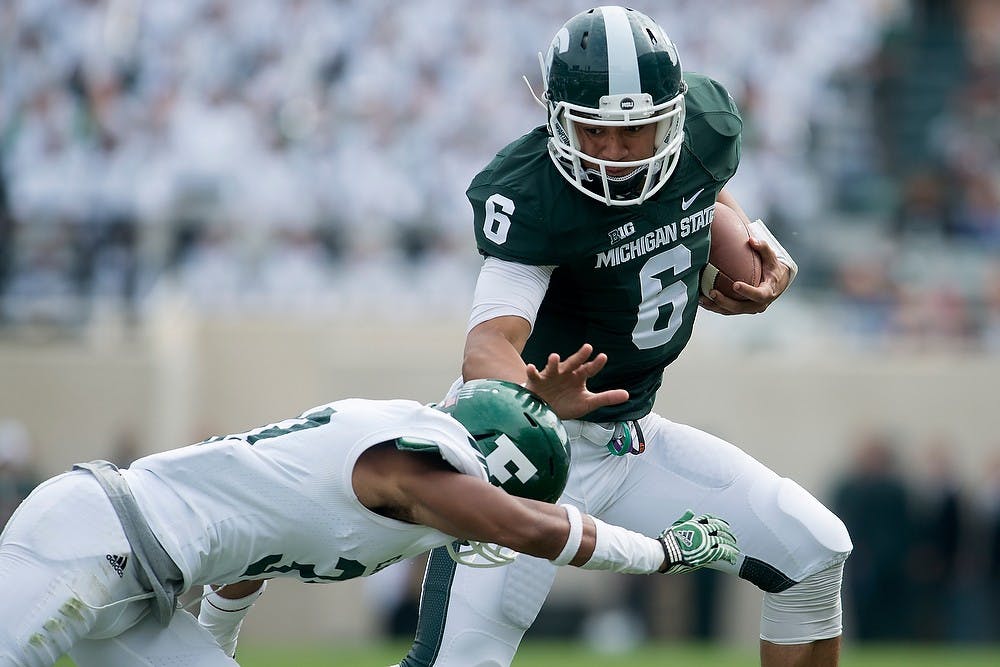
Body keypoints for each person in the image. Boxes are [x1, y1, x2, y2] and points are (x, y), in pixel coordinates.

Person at [394, 6, 853, 667]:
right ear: (556, 118)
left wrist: (755, 243)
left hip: (631, 438)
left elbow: (707, 193)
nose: (614, 152)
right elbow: (487, 345)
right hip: (528, 454)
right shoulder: (535, 193)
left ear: (670, 115)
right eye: (594, 131)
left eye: (636, 130)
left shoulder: (704, 125)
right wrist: (533, 390)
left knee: (814, 550)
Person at [0, 375, 739, 667]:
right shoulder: (417, 465)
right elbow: (537, 531)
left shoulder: (392, 448)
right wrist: (664, 551)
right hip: (91, 543)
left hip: (144, 594)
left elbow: (257, 549)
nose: (498, 518)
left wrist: (216, 646)